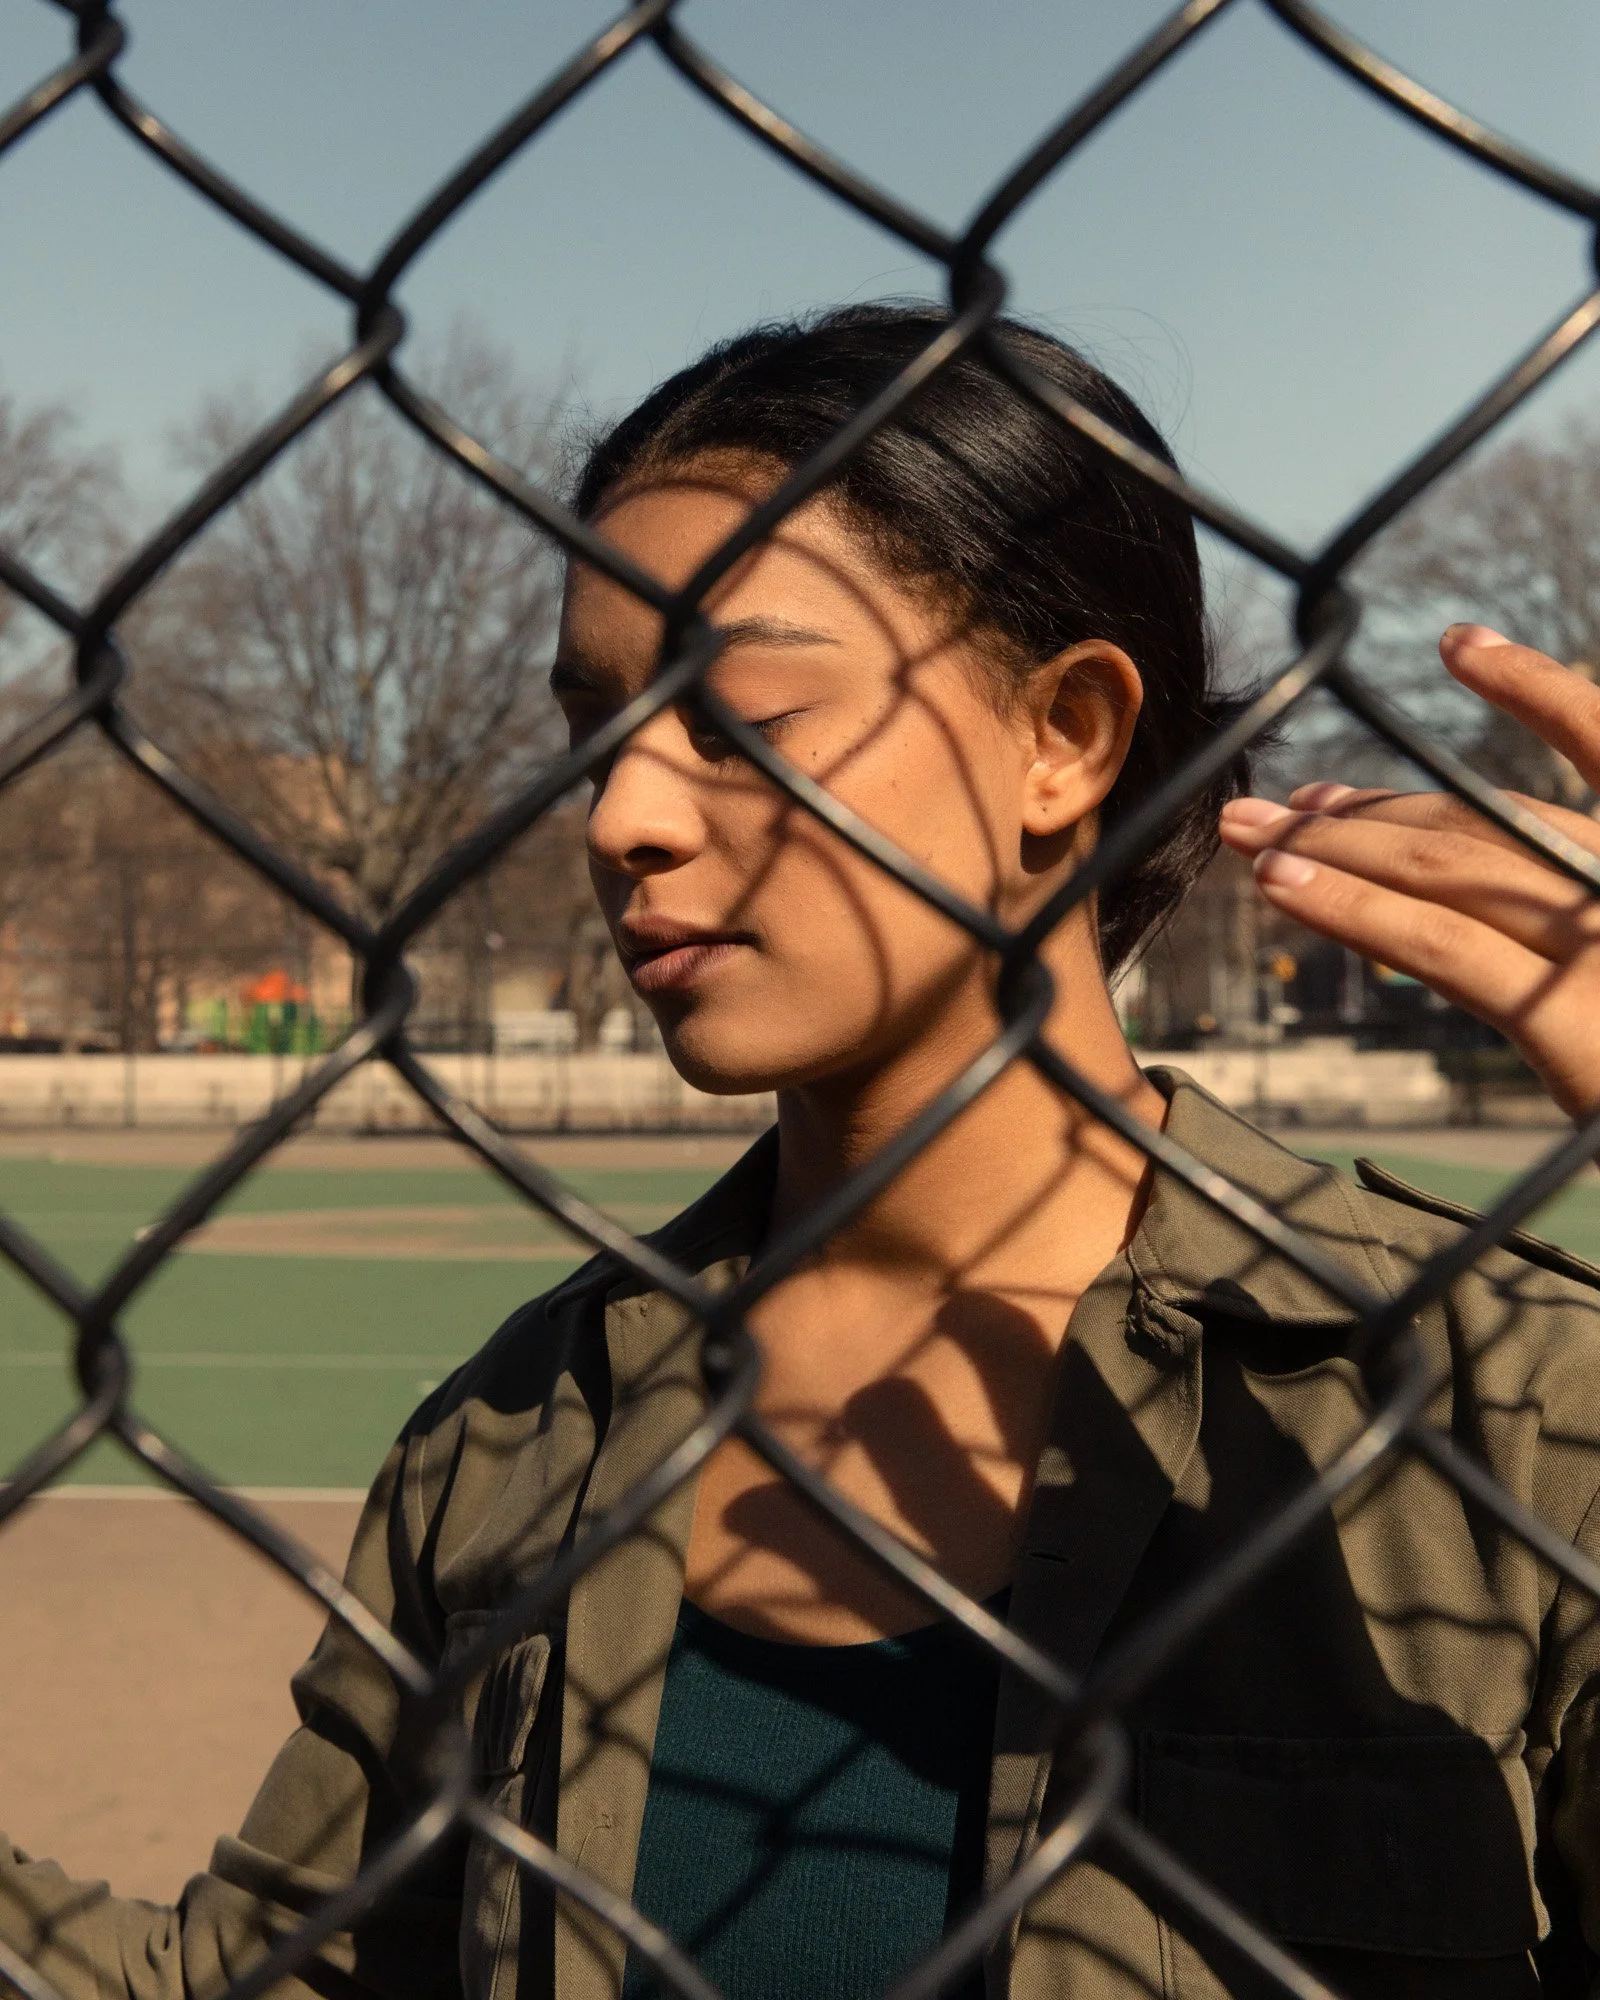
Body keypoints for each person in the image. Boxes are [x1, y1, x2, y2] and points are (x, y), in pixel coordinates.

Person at [6, 303, 1600, 2000]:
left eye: (738, 717)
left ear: (1063, 735)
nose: (624, 814)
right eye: (595, 726)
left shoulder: (1500, 1396)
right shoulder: (514, 1433)